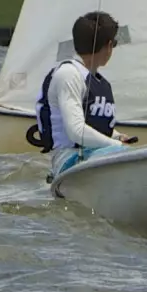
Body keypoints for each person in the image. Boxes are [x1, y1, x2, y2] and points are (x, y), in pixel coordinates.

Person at [35, 9, 135, 177]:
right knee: (129, 159)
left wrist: (117, 137)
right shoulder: (69, 75)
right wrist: (116, 146)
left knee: (133, 156)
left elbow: (93, 123)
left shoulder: (97, 80)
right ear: (109, 46)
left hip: (96, 155)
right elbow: (76, 131)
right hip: (68, 160)